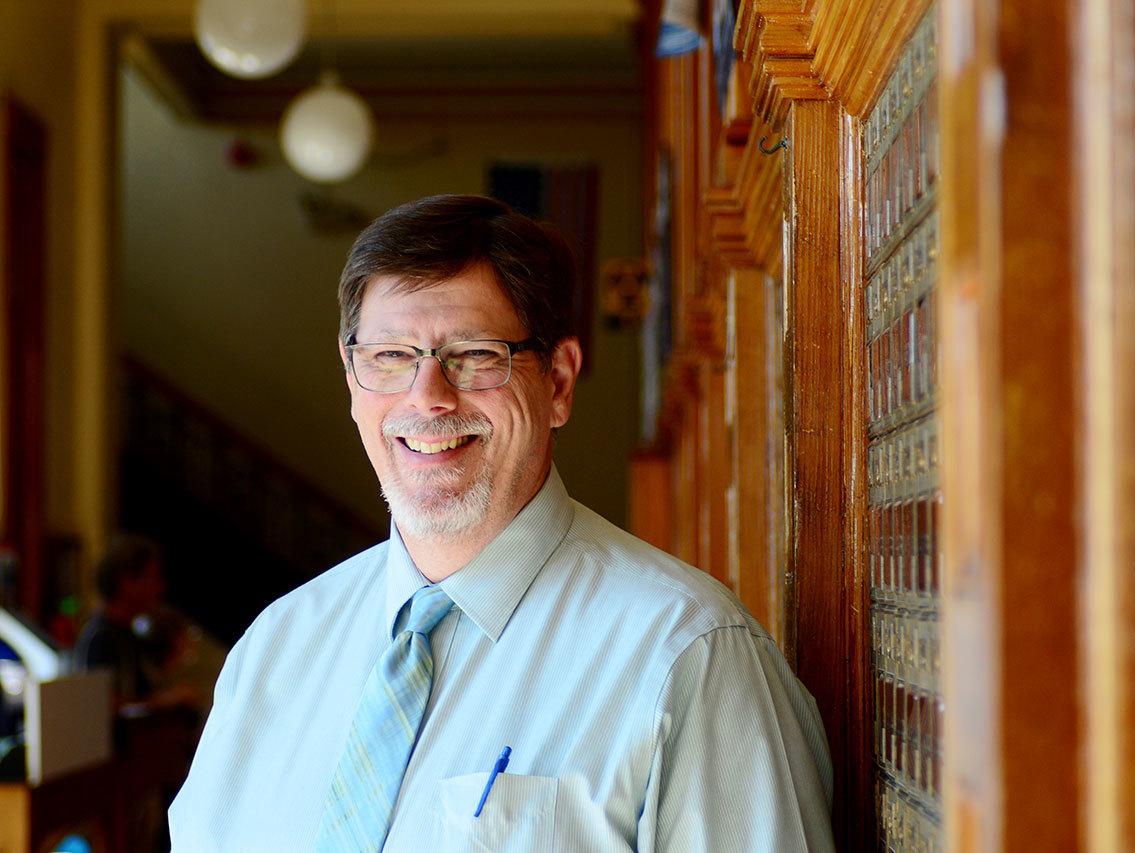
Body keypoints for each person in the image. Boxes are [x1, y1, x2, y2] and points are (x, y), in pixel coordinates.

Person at [169, 194, 834, 851]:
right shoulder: (274, 650)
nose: (427, 397)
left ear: (559, 382)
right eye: (391, 357)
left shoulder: (689, 654)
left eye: (476, 354)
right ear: (351, 379)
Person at [75, 534, 201, 714]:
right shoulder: (100, 637)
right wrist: (165, 700)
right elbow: (100, 708)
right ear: (127, 582)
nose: (160, 588)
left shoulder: (128, 632)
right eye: (152, 578)